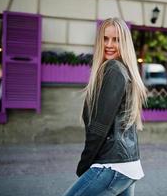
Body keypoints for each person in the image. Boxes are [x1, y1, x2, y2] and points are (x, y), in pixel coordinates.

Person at [63, 17, 147, 196]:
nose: (109, 44)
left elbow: (100, 125)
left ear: (124, 42)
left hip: (112, 164)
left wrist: (85, 162)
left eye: (116, 39)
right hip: (127, 165)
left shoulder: (114, 69)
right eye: (105, 38)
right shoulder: (125, 70)